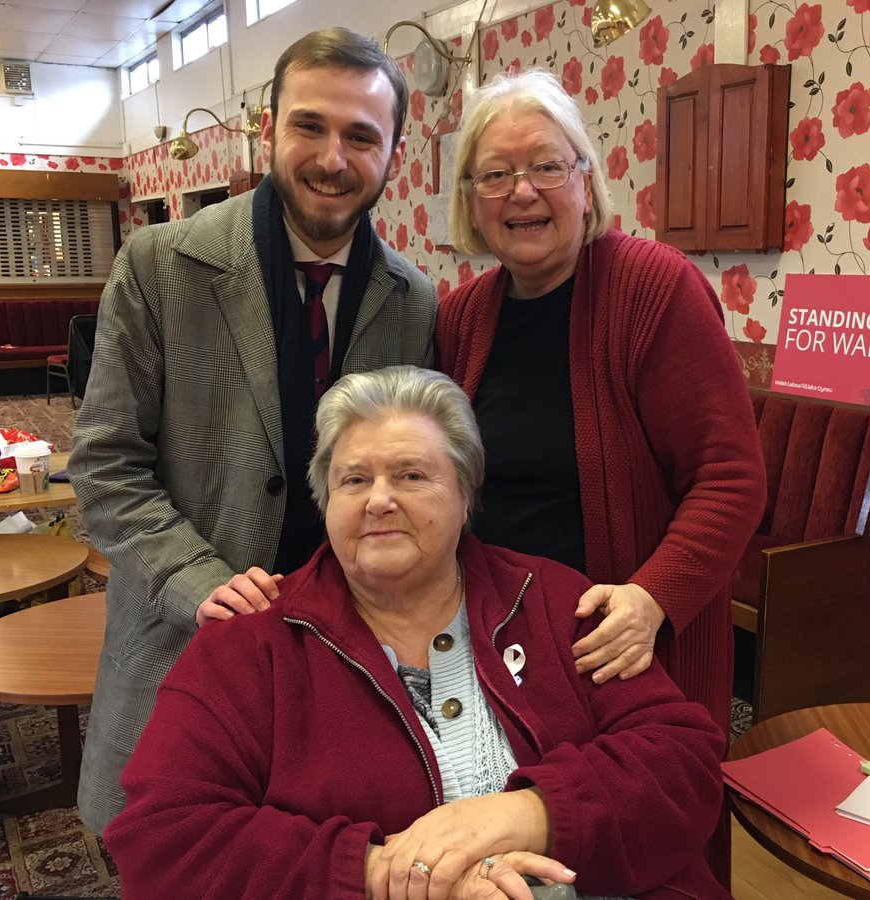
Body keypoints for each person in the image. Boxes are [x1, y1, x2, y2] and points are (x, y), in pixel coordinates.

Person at [104, 365, 730, 900]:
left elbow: (683, 760)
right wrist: (381, 873)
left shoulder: (554, 600)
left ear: (465, 496)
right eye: (354, 480)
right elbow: (162, 840)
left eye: (411, 475)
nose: (379, 500)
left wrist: (527, 813)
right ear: (326, 503)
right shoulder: (250, 643)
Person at [68, 27, 437, 832]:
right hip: (182, 643)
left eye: (361, 136)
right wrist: (199, 583)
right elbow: (103, 464)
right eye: (310, 125)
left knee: (319, 855)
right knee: (169, 854)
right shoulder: (159, 265)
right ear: (267, 129)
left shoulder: (414, 299)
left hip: (340, 659)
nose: (332, 158)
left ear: (393, 155)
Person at [437, 69, 766, 737]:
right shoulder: (460, 319)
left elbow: (730, 479)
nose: (522, 191)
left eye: (547, 167)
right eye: (494, 175)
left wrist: (651, 600)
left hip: (627, 653)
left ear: (586, 183)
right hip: (500, 654)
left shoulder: (654, 290)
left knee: (638, 833)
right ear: (471, 202)